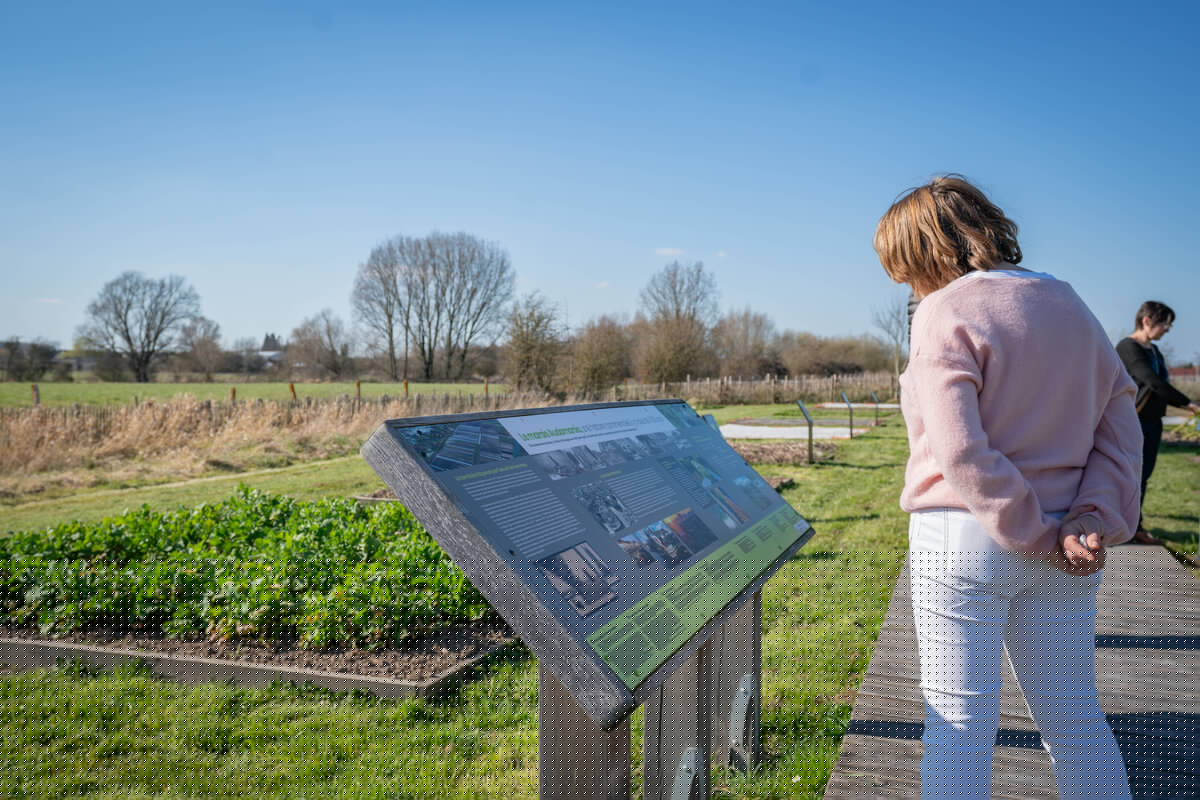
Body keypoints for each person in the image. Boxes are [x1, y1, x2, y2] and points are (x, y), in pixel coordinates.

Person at [873, 175, 1142, 799]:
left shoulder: (943, 310)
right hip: (1069, 542)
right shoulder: (1070, 303)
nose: (908, 285)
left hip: (962, 534)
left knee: (959, 728)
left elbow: (959, 446)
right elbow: (1119, 417)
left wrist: (1030, 530)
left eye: (904, 268)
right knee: (1074, 720)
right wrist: (1089, 515)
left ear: (926, 250)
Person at [1116, 301, 1200, 544]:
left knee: (1144, 476)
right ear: (1147, 320)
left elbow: (1161, 382)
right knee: (1129, 475)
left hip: (1153, 422)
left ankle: (1134, 526)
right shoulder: (1127, 348)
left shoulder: (1154, 350)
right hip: (1132, 422)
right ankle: (1122, 529)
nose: (1167, 328)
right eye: (1165, 323)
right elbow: (1152, 381)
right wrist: (1187, 403)